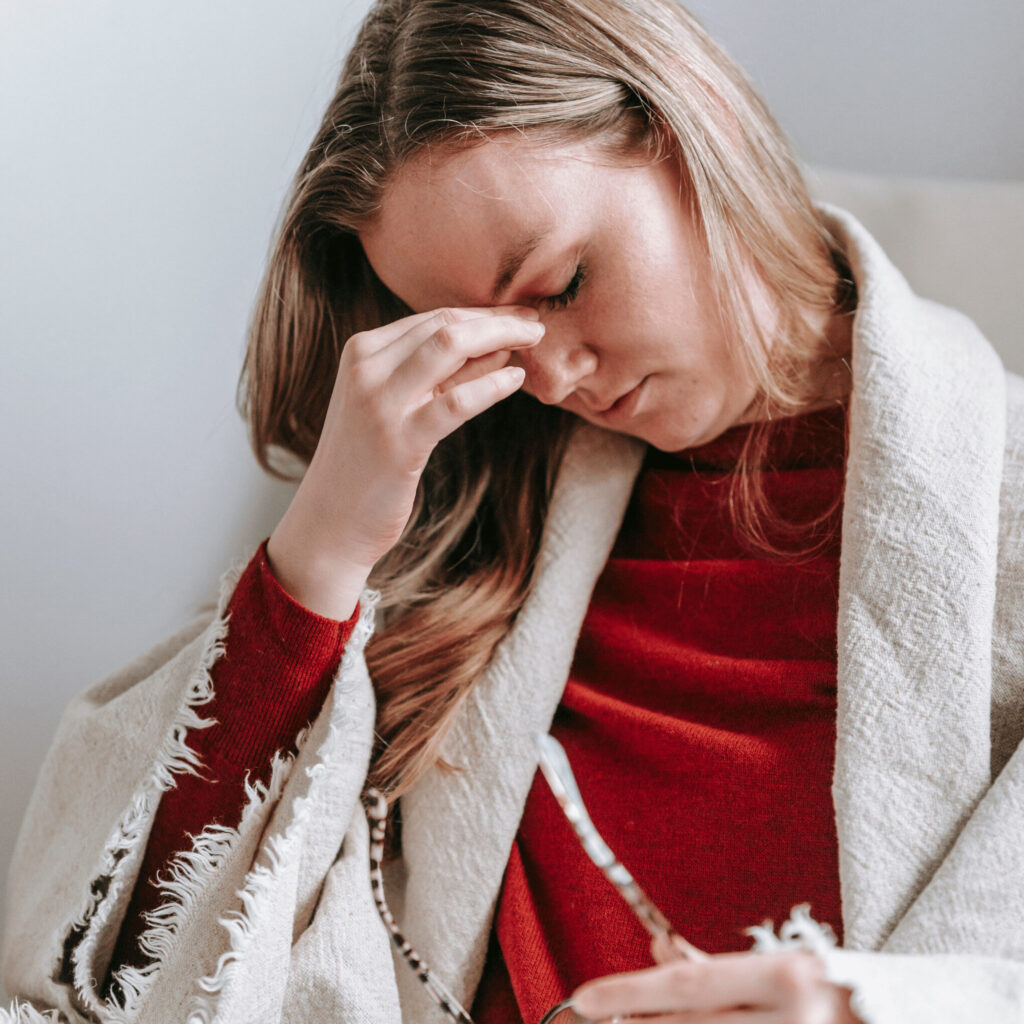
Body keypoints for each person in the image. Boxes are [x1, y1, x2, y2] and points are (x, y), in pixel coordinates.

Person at [2, 0, 1022, 1021]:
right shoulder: (462, 503)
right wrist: (320, 551)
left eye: (563, 282)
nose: (553, 375)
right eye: (487, 344)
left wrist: (866, 1005)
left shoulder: (995, 507)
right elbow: (121, 953)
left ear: (692, 119)